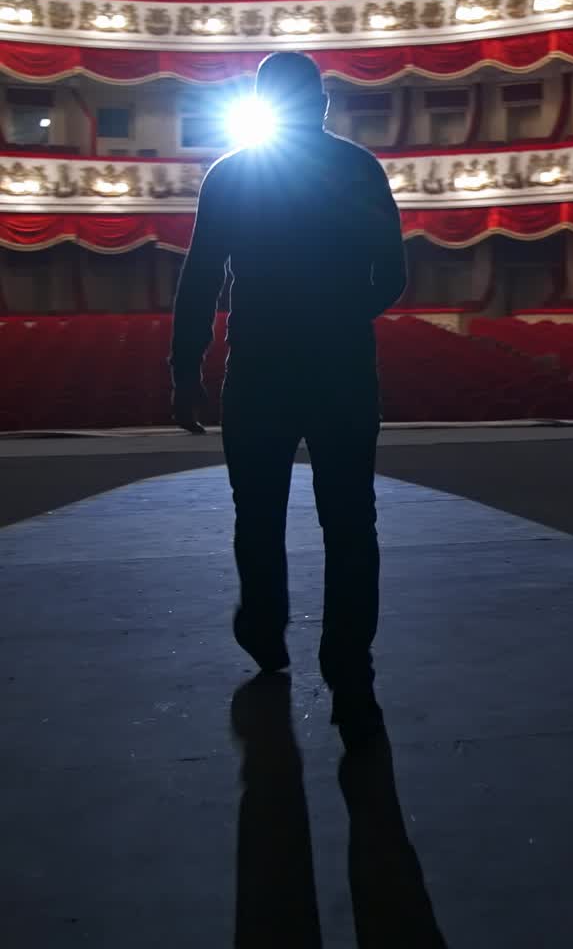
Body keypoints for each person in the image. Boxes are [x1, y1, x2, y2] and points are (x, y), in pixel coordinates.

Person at [170, 52, 407, 745]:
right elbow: (392, 273)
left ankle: (265, 632)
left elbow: (201, 278)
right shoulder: (358, 167)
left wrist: (186, 369)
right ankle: (348, 663)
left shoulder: (232, 174)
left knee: (259, 511)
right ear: (324, 103)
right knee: (350, 519)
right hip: (340, 364)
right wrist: (341, 314)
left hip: (261, 363)